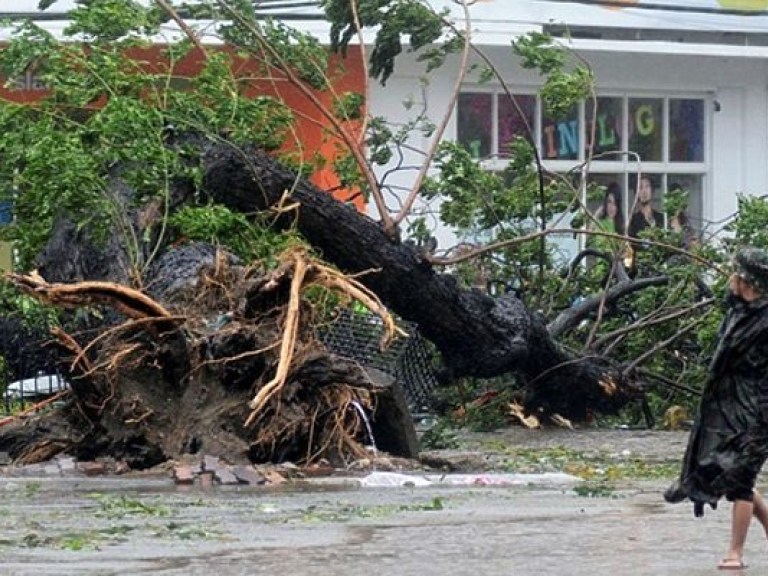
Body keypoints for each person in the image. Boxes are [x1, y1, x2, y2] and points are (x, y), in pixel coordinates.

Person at [664, 246, 768, 570]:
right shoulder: (736, 311)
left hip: (758, 408)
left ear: (746, 279)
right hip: (728, 405)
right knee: (732, 471)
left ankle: (735, 552)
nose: (730, 277)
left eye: (735, 272)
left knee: (741, 478)